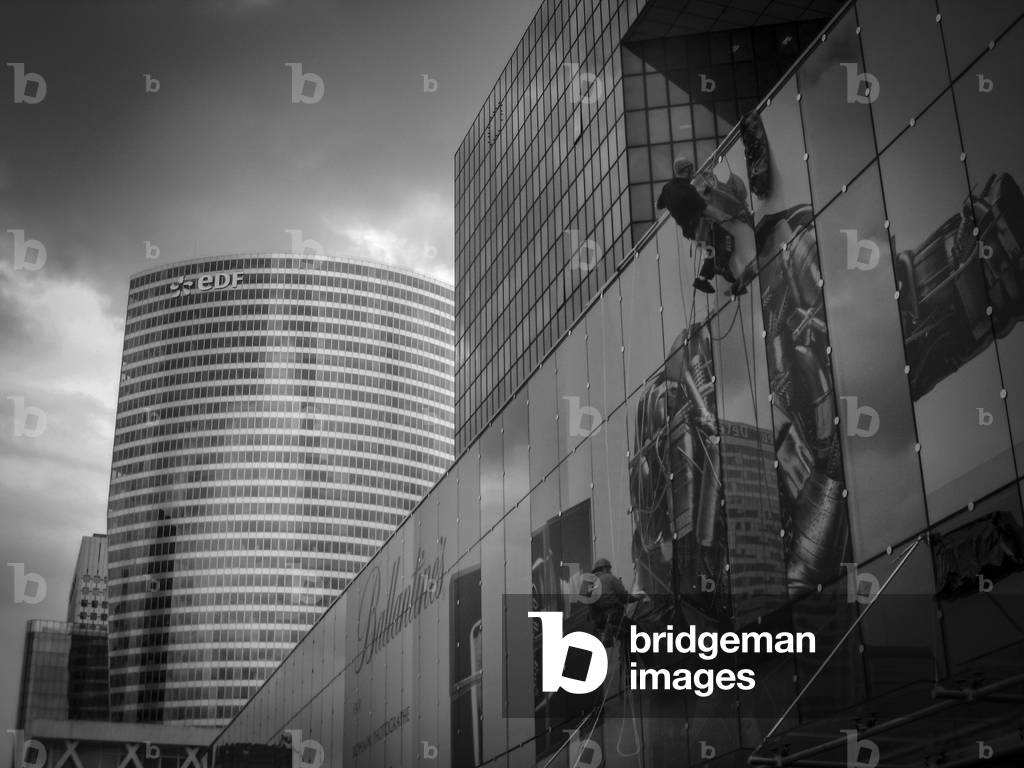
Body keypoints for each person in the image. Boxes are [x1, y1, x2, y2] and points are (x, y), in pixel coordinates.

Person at [657, 157, 735, 294]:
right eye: (691, 169)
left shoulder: (667, 189)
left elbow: (659, 205)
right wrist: (724, 216)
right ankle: (720, 266)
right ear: (687, 170)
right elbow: (705, 208)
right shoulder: (688, 189)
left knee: (710, 252)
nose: (693, 171)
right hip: (701, 225)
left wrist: (674, 205)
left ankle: (703, 278)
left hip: (690, 231)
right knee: (727, 238)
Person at [580, 558, 640, 647]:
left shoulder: (591, 583)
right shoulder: (609, 578)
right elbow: (624, 597)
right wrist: (637, 598)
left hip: (600, 622)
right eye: (609, 569)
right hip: (614, 618)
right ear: (604, 569)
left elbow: (591, 605)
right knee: (638, 632)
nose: (610, 571)